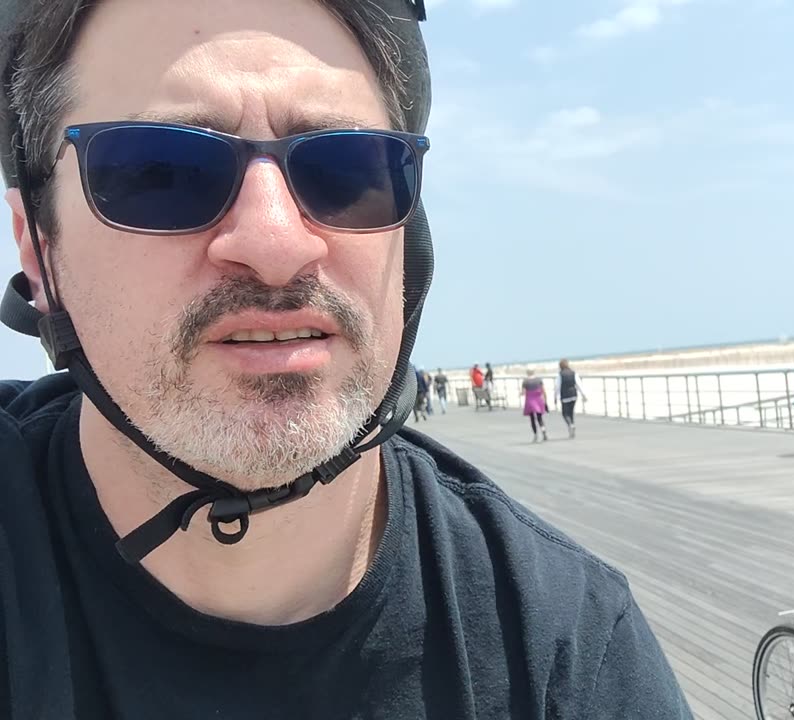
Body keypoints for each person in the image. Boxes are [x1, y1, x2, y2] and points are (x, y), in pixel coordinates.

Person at [0, 1, 693, 717]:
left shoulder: (566, 654)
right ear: (38, 248)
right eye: (161, 171)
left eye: (345, 168)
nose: (276, 244)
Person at [555, 358, 587, 438]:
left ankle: (570, 425)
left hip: (565, 395)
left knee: (565, 413)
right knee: (571, 412)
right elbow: (579, 384)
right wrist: (584, 395)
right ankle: (572, 426)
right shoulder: (573, 373)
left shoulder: (560, 374)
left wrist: (555, 397)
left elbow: (557, 387)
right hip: (573, 394)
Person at [521, 369, 550, 442]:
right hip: (538, 400)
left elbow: (523, 392)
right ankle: (544, 432)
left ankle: (535, 435)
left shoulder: (525, 381)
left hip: (530, 400)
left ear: (527, 373)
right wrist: (545, 401)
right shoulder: (539, 380)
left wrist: (520, 393)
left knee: (532, 419)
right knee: (539, 418)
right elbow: (543, 391)